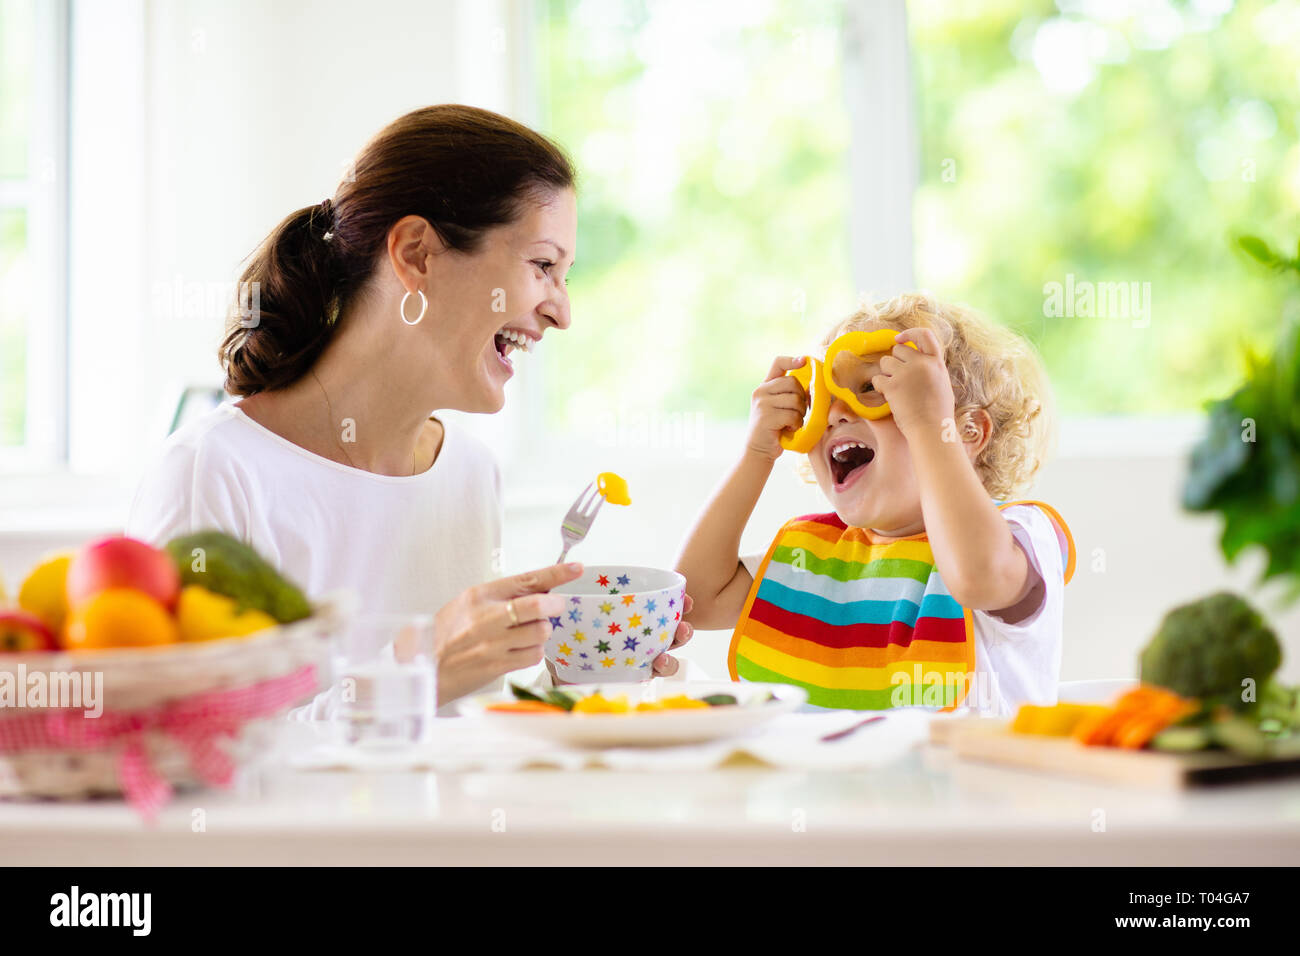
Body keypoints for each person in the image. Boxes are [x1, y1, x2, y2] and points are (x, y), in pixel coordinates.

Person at [127, 105, 693, 711]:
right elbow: (174, 749)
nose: (562, 310)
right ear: (418, 253)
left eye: (565, 276)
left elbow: (450, 737)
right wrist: (414, 671)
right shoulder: (213, 473)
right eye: (542, 266)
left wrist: (576, 676)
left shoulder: (470, 474)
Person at [674, 293, 1074, 715]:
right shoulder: (812, 554)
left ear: (969, 431)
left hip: (971, 782)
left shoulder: (1019, 535)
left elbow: (978, 577)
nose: (834, 415)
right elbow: (690, 599)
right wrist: (756, 454)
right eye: (821, 400)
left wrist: (927, 423)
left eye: (872, 389)